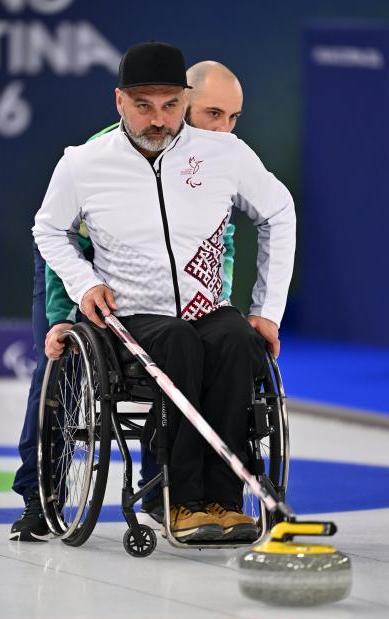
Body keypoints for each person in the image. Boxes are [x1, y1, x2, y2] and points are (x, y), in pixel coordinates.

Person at [32, 41, 296, 543]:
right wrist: (84, 284)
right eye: (143, 106)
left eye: (171, 105)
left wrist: (267, 310)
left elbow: (279, 212)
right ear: (119, 102)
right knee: (176, 340)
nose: (159, 119)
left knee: (238, 339)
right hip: (130, 315)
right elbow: (48, 229)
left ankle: (225, 501)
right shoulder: (83, 163)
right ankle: (183, 502)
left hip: (205, 308)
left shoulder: (224, 154)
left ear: (184, 100)